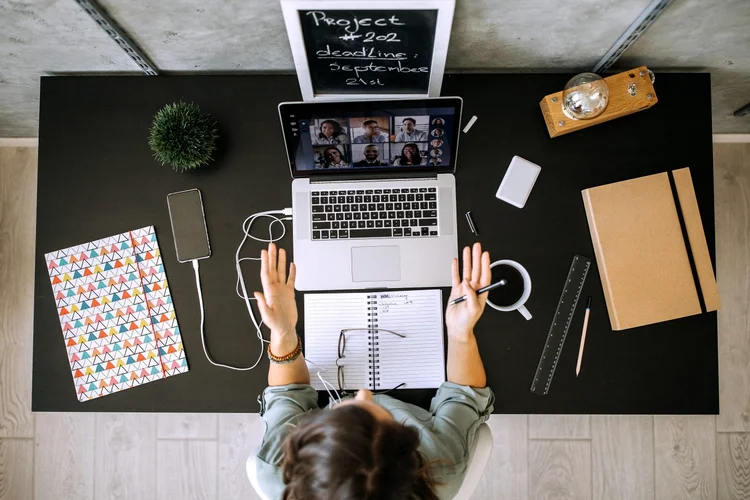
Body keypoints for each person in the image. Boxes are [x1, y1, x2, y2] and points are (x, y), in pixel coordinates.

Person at [252, 242, 495, 499]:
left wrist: (283, 335)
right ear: (410, 449)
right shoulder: (441, 468)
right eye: (385, 419)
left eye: (345, 410)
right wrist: (460, 334)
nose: (364, 392)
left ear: (305, 442)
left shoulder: (276, 469)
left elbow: (287, 396)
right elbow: (463, 397)